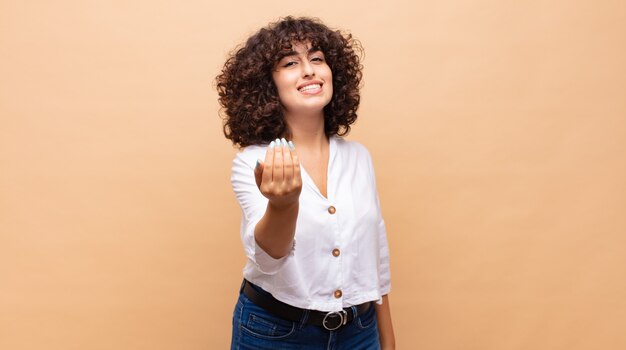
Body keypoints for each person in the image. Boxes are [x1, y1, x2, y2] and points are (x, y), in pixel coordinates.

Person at [216, 16, 395, 349]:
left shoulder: (359, 157)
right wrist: (283, 205)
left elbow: (376, 256)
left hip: (359, 331)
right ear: (268, 85)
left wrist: (387, 339)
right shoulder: (253, 162)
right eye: (290, 63)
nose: (309, 70)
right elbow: (269, 260)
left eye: (317, 59)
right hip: (274, 332)